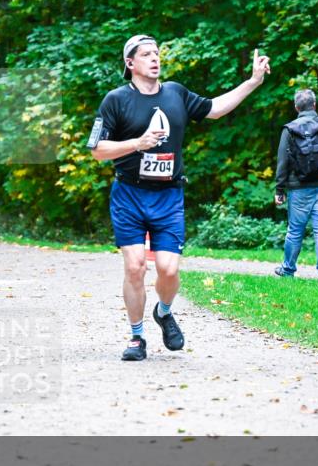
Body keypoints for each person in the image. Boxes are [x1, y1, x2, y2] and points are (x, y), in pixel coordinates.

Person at [89, 35, 270, 361]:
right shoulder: (115, 100)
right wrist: (137, 143)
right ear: (130, 63)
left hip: (169, 195)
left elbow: (215, 109)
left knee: (169, 270)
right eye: (146, 55)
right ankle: (136, 338)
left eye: (157, 53)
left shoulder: (176, 93)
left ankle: (165, 311)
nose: (155, 59)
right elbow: (98, 151)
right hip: (129, 194)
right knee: (134, 268)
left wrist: (253, 82)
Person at [273, 89, 318, 281]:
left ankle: (288, 270)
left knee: (295, 230)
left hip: (298, 188)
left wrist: (280, 189)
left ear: (296, 107)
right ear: (315, 105)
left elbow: (283, 162)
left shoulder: (289, 130)